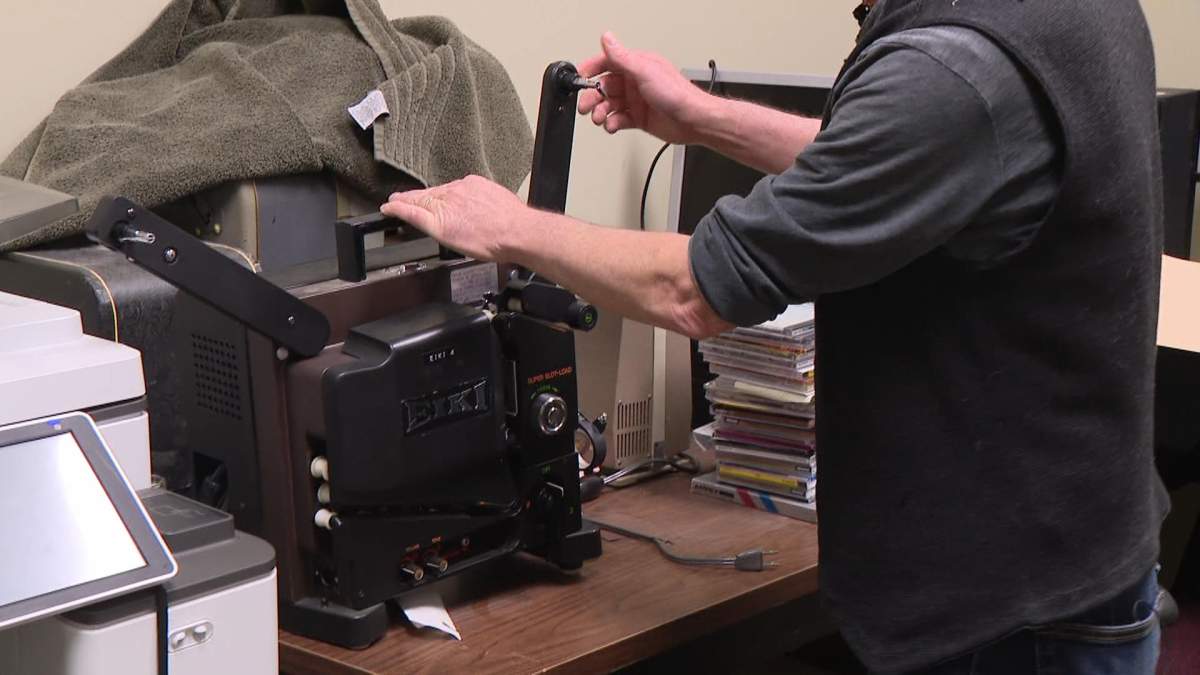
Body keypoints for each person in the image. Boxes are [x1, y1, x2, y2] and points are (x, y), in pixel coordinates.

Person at [380, 1, 1168, 672]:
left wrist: (511, 228)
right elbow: (899, 163)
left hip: (1016, 624)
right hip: (1069, 563)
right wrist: (702, 117)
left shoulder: (960, 69)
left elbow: (695, 288)